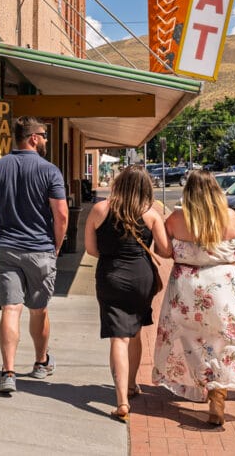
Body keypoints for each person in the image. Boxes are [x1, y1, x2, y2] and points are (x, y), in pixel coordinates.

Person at [152, 170, 235, 425]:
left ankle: (198, 383)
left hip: (186, 290)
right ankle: (218, 393)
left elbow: (164, 250)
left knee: (191, 341)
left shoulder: (176, 218)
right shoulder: (229, 217)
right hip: (224, 288)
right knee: (227, 341)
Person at [0, 116, 68, 395]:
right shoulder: (49, 171)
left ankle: (8, 372)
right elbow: (61, 215)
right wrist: (56, 246)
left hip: (5, 248)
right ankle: (41, 363)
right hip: (40, 249)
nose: (46, 140)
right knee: (38, 310)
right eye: (43, 135)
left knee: (10, 309)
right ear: (32, 138)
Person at [84, 166, 168, 423]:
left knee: (117, 339)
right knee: (136, 331)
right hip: (141, 277)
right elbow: (165, 251)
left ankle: (121, 401)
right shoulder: (151, 215)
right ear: (145, 187)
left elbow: (91, 249)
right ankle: (131, 385)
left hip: (111, 276)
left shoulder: (100, 210)